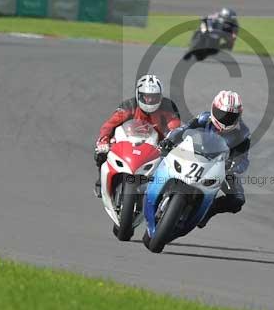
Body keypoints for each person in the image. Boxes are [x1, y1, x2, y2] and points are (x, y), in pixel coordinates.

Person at [159, 90, 249, 227]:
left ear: (238, 116)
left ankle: (208, 211)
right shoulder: (204, 118)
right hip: (194, 155)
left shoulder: (242, 133)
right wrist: (169, 141)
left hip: (221, 167)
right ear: (213, 108)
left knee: (237, 200)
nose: (225, 119)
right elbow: (183, 129)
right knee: (162, 157)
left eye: (230, 116)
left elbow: (243, 158)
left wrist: (234, 166)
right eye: (222, 113)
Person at [94, 74, 180, 197]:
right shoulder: (129, 106)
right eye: (146, 97)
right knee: (100, 153)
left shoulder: (168, 108)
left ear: (160, 97)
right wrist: (103, 140)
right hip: (127, 142)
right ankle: (101, 182)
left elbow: (175, 128)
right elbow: (109, 125)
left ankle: (163, 198)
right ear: (139, 95)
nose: (150, 101)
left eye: (154, 97)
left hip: (156, 147)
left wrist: (171, 141)